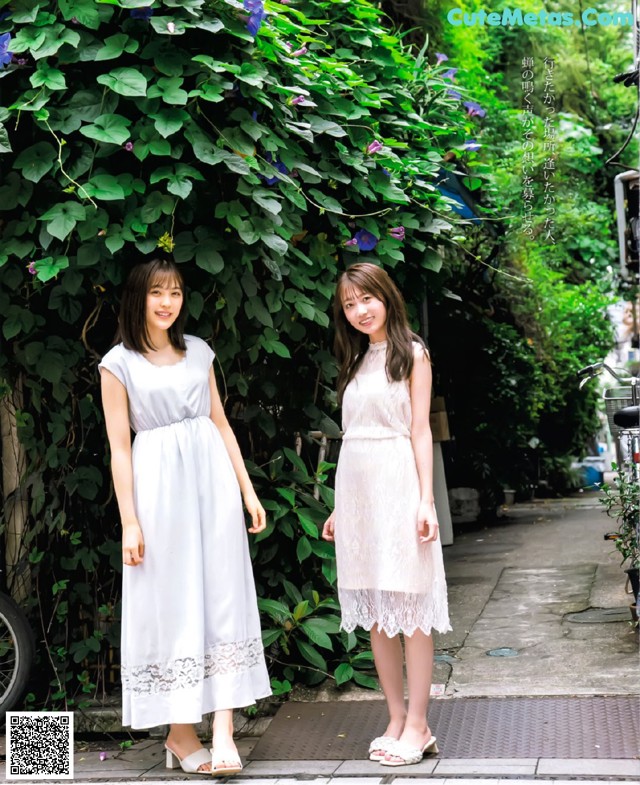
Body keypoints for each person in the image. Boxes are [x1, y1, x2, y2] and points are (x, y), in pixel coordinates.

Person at [99, 258, 271, 776]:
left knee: (224, 597)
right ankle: (179, 733)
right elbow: (119, 450)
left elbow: (219, 423)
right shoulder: (117, 364)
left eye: (174, 292)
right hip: (158, 495)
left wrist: (247, 490)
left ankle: (223, 732)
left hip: (212, 487)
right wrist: (130, 521)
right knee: (170, 605)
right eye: (156, 292)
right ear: (138, 298)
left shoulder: (199, 352)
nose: (167, 302)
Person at [322, 262, 450, 767]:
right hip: (358, 491)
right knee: (378, 610)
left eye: (366, 299)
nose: (359, 311)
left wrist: (425, 500)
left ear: (386, 297)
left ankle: (419, 724)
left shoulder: (412, 353)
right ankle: (395, 717)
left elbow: (420, 430)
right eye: (349, 304)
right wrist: (339, 507)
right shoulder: (354, 360)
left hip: (399, 486)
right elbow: (353, 438)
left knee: (412, 608)